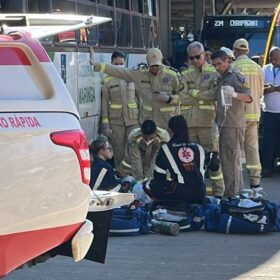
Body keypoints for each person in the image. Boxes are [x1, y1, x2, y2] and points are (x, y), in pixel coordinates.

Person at [90, 47, 180, 129]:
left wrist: (169, 99)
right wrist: (97, 65)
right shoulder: (140, 74)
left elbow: (183, 97)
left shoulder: (173, 75)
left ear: (161, 60)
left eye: (157, 65)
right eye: (152, 65)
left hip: (167, 123)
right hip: (148, 123)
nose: (154, 68)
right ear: (147, 63)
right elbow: (119, 71)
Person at [179, 41, 225, 198]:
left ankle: (219, 193)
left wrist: (193, 92)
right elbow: (180, 97)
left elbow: (213, 95)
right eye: (191, 58)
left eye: (197, 57)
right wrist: (201, 94)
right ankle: (197, 193)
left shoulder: (214, 73)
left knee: (212, 161)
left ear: (204, 55)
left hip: (207, 124)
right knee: (192, 162)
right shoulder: (184, 74)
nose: (194, 61)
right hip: (190, 124)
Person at [211, 50, 252, 198]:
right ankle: (231, 193)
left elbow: (249, 97)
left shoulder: (235, 76)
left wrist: (234, 94)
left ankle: (234, 194)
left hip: (233, 124)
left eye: (219, 64)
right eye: (214, 65)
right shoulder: (222, 77)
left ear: (227, 60)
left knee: (232, 161)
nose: (217, 67)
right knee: (226, 161)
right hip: (224, 124)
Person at [145, 115, 206, 204]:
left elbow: (159, 176)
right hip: (200, 192)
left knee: (149, 185)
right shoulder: (199, 148)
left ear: (171, 131)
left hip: (180, 194)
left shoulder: (166, 148)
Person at [232, 38, 264, 188]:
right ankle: (255, 181)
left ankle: (239, 183)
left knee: (236, 149)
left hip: (238, 115)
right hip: (254, 113)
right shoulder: (257, 68)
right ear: (248, 51)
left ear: (235, 51)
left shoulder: (233, 67)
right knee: (252, 147)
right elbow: (261, 92)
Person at [101, 51, 140, 168]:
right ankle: (121, 176)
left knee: (135, 151)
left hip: (133, 121)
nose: (119, 66)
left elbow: (141, 99)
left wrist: (143, 119)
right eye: (116, 64)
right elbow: (104, 104)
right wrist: (106, 126)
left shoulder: (132, 78)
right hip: (116, 122)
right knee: (119, 152)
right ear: (111, 63)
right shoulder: (108, 81)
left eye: (121, 63)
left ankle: (136, 175)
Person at [261, 47, 280, 177]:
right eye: (271, 59)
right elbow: (259, 87)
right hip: (268, 111)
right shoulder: (265, 69)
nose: (273, 61)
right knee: (268, 141)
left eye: (276, 59)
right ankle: (267, 167)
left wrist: (276, 88)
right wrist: (267, 89)